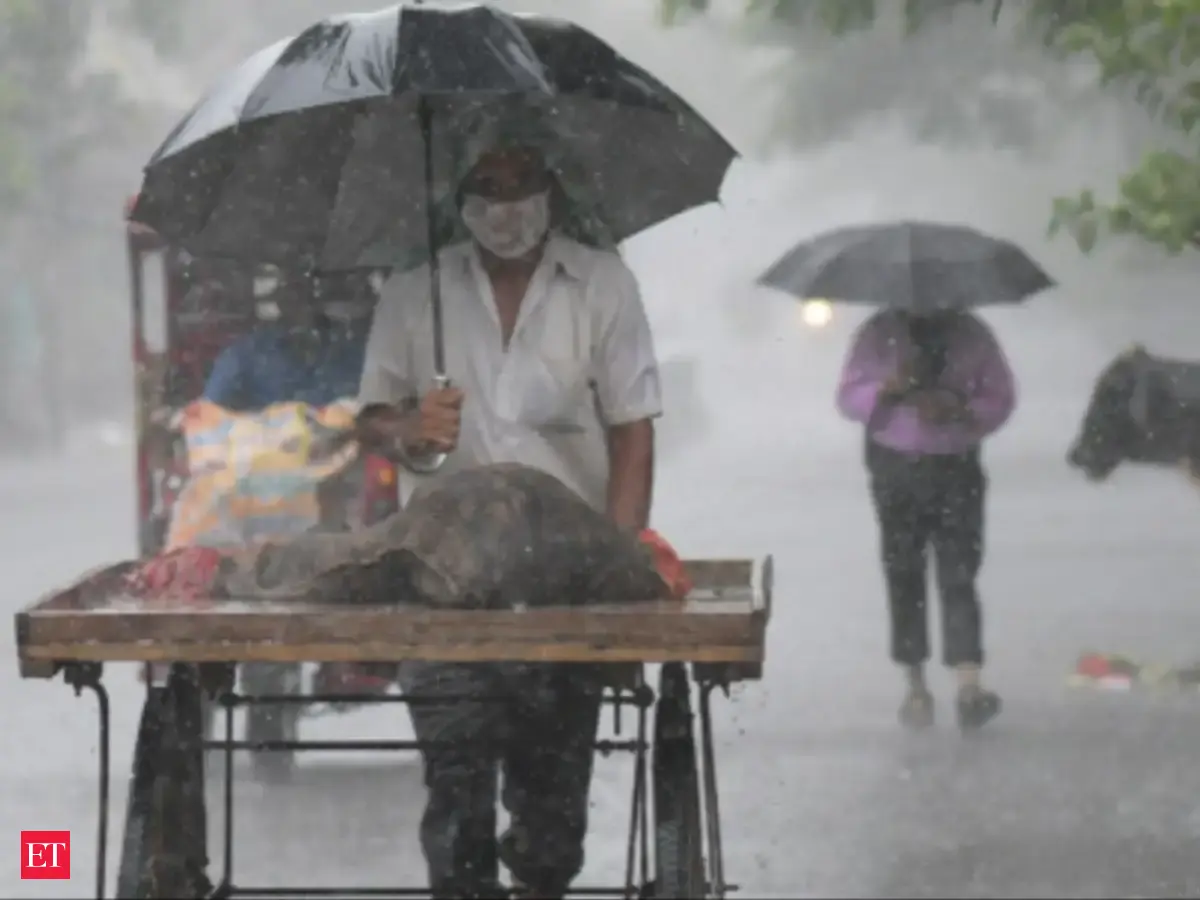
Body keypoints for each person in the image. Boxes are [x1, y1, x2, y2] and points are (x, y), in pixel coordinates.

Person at [357, 127, 660, 898]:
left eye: (520, 182)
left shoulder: (603, 286)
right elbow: (372, 421)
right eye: (485, 187)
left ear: (553, 192)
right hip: (442, 578)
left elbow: (632, 431)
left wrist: (619, 562)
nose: (504, 207)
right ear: (457, 198)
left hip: (565, 576)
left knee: (550, 812)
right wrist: (410, 428)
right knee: (457, 795)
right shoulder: (409, 289)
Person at [836, 308, 1015, 732]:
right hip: (895, 467)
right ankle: (915, 684)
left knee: (959, 572)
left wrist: (961, 410)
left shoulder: (972, 334)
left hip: (956, 465)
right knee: (904, 571)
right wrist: (888, 390)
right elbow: (848, 396)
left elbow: (1000, 396)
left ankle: (969, 683)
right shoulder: (878, 333)